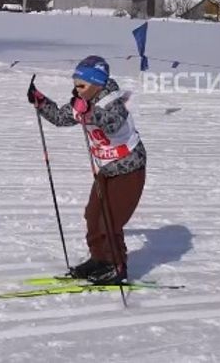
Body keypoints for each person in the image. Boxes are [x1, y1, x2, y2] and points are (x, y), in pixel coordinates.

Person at [27, 55, 146, 285]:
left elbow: (113, 122)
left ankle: (116, 266)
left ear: (97, 83)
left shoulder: (112, 100)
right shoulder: (82, 101)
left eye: (81, 85)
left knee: (110, 220)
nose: (77, 90)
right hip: (107, 169)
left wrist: (89, 112)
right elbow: (62, 117)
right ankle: (99, 259)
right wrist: (40, 101)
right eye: (75, 85)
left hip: (130, 168)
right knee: (93, 214)